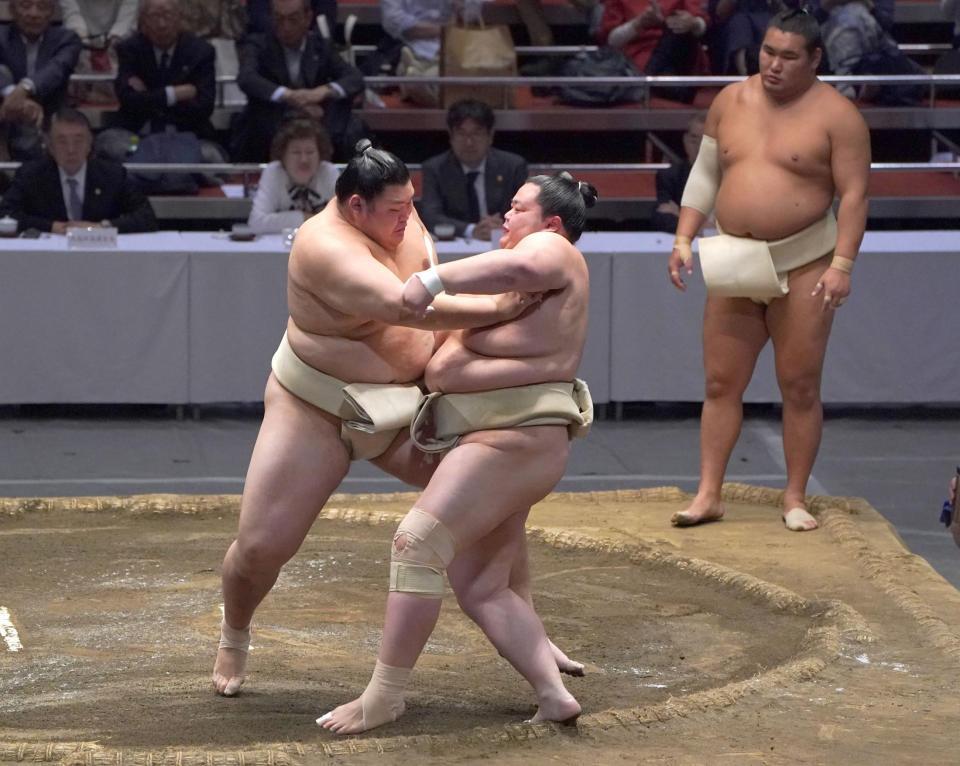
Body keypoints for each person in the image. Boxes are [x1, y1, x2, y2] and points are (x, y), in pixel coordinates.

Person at [212, 140, 556, 698]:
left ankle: (528, 630)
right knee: (260, 548)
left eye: (409, 205)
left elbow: (431, 275)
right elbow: (406, 305)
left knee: (494, 495)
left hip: (408, 405)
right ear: (355, 208)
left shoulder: (399, 207)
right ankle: (235, 630)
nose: (407, 217)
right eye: (394, 211)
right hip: (319, 408)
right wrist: (502, 307)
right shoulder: (323, 248)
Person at [319, 172, 596, 734]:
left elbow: (520, 266)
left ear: (552, 222)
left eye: (517, 208)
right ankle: (551, 688)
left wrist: (432, 277)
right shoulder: (516, 292)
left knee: (417, 544)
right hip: (507, 440)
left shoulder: (553, 252)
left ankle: (384, 696)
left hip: (513, 440)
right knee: (484, 584)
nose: (506, 217)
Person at [666, 9, 870, 532]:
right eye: (768, 53)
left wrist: (843, 264)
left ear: (815, 58)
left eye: (788, 57)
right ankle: (709, 493)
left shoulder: (839, 115)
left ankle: (795, 496)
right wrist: (685, 235)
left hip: (806, 260)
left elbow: (853, 196)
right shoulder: (730, 100)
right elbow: (706, 171)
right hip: (737, 257)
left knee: (799, 385)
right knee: (719, 382)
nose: (774, 65)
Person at [95, 0, 224, 167]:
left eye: (167, 15)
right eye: (154, 16)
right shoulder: (130, 49)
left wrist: (147, 96)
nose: (161, 24)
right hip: (139, 137)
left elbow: (204, 107)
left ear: (179, 18)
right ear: (143, 21)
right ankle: (160, 167)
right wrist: (173, 95)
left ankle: (153, 169)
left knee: (210, 154)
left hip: (184, 136)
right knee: (111, 144)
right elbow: (128, 100)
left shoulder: (201, 51)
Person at [233, 0, 364, 161]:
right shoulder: (257, 44)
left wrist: (321, 92)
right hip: (272, 118)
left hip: (318, 117)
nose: (286, 27)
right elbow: (246, 78)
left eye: (293, 19)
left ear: (308, 18)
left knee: (351, 125)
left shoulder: (321, 46)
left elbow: (354, 78)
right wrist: (289, 95)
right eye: (279, 19)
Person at [0, 107, 157, 233]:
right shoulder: (31, 175)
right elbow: (5, 214)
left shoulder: (112, 174)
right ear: (50, 146)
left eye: (79, 140)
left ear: (90, 144)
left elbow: (146, 217)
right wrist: (51, 227)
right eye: (62, 141)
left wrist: (101, 227)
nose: (71, 149)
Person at [419, 99, 529, 241]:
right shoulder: (435, 168)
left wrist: (502, 224)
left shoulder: (513, 166)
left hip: (503, 241)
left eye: (477, 133)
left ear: (490, 136)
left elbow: (525, 211)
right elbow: (430, 216)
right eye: (461, 133)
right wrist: (471, 230)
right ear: (451, 136)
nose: (469, 142)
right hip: (455, 247)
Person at [0, 0, 81, 160]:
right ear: (12, 10)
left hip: (46, 123)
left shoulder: (67, 39)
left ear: (52, 12)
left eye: (42, 7)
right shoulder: (2, 36)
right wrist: (15, 97)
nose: (34, 13)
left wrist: (25, 88)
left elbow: (57, 69)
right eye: (25, 6)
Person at [598, 0, 708, 102]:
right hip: (636, 59)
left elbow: (703, 23)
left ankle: (650, 79)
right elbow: (611, 41)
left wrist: (693, 23)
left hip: (679, 54)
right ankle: (658, 82)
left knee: (675, 28)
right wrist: (637, 24)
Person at [247, 118, 339, 233]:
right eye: (296, 152)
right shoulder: (274, 172)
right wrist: (306, 217)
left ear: (320, 155)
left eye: (310, 152)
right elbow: (256, 222)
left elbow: (345, 222)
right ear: (283, 156)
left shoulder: (328, 173)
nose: (304, 160)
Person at [650, 112, 705, 233]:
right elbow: (662, 219)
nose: (699, 147)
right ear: (685, 141)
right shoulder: (670, 176)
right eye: (694, 139)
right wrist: (706, 227)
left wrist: (681, 216)